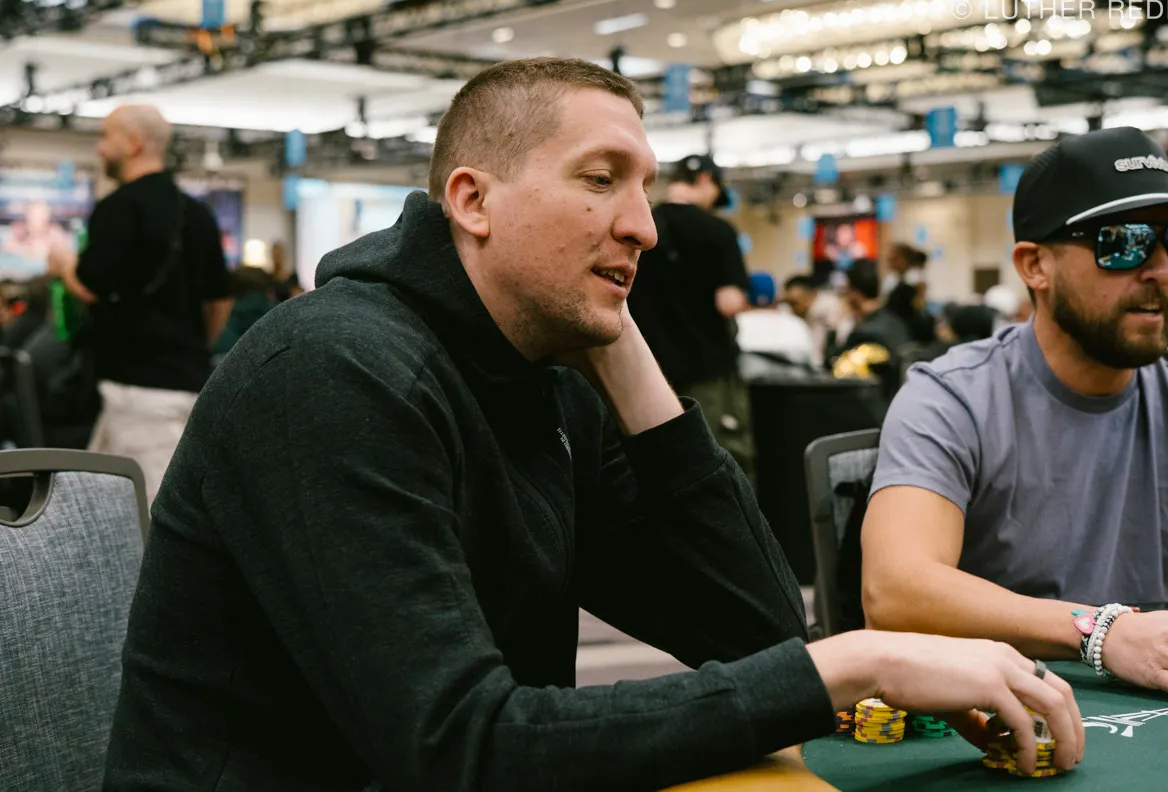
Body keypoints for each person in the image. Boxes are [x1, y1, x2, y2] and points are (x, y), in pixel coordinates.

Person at [103, 59, 1084, 791]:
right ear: (472, 201)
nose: (644, 226)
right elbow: (459, 746)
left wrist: (629, 364)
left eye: (645, 187)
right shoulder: (332, 372)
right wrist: (862, 658)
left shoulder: (548, 384)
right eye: (601, 178)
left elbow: (757, 633)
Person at [861, 125, 1168, 707]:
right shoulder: (952, 398)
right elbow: (895, 590)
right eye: (1123, 242)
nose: (1161, 269)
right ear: (1034, 265)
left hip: (1147, 704)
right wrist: (1102, 631)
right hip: (989, 715)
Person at [46, 105, 232, 501]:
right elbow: (219, 300)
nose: (99, 148)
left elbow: (89, 287)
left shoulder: (119, 207)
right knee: (103, 499)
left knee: (149, 510)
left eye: (105, 137)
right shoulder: (199, 214)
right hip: (187, 383)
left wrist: (63, 265)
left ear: (133, 144)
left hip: (136, 390)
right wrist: (192, 347)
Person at [625, 153, 756, 483]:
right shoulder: (719, 232)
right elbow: (729, 302)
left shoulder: (642, 229)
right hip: (707, 372)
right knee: (718, 462)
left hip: (647, 371)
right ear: (705, 181)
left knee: (657, 464)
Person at [826, 259, 914, 398]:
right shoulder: (897, 323)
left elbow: (833, 366)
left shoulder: (863, 334)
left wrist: (835, 326)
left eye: (846, 290)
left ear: (855, 293)